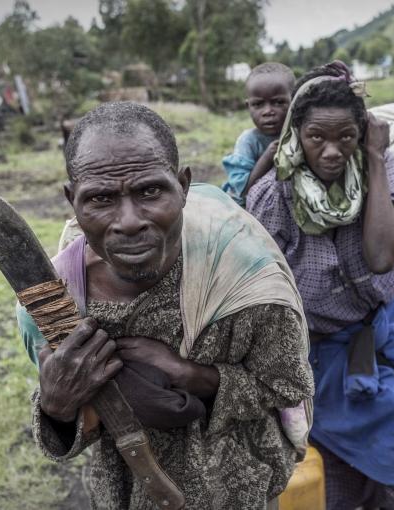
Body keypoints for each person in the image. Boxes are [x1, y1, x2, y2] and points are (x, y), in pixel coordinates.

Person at [16, 102, 314, 509]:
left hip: (238, 492)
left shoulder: (245, 283)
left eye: (150, 191)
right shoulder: (59, 299)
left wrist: (194, 376)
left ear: (184, 185)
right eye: (101, 199)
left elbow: (287, 387)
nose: (129, 221)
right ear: (73, 201)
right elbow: (76, 428)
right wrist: (55, 406)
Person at [246, 62, 394, 510]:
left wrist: (374, 155)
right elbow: (258, 282)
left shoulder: (377, 168)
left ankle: (386, 491)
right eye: (317, 138)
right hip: (310, 347)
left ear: (362, 135)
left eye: (346, 138)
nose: (332, 151)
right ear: (298, 135)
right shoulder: (277, 191)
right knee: (324, 455)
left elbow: (382, 256)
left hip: (375, 330)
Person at [222, 62, 295, 205]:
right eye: (258, 104)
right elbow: (242, 191)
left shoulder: (298, 134)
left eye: (278, 102)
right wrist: (268, 157)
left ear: (294, 102)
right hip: (249, 209)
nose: (268, 111)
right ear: (248, 106)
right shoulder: (248, 140)